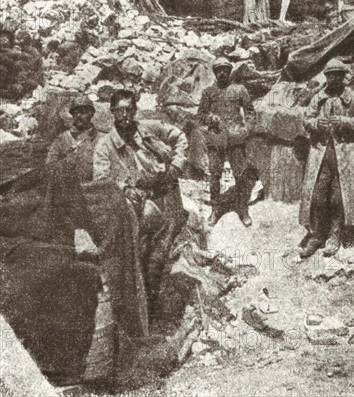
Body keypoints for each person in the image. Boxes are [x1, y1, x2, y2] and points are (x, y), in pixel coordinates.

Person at [93, 89, 188, 318]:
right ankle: (142, 308)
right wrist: (124, 187)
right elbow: (100, 179)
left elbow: (180, 138)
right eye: (119, 110)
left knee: (161, 254)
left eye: (129, 109)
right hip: (133, 206)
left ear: (135, 110)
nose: (125, 115)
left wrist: (175, 165)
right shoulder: (105, 145)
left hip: (165, 196)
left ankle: (155, 306)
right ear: (112, 112)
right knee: (136, 257)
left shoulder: (150, 128)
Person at [298, 58, 354, 258]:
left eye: (338, 74)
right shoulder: (317, 98)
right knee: (318, 196)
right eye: (331, 75)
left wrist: (343, 121)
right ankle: (317, 235)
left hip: (345, 155)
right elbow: (306, 119)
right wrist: (316, 124)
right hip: (321, 153)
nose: (334, 78)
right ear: (326, 77)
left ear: (343, 76)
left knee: (338, 198)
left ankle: (334, 235)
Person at [198, 57, 256, 227]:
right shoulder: (208, 92)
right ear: (215, 73)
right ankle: (215, 209)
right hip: (216, 138)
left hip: (236, 138)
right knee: (215, 175)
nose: (222, 73)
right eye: (219, 70)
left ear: (230, 72)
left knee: (240, 174)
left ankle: (243, 209)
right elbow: (200, 114)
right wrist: (210, 118)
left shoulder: (240, 90)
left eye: (225, 70)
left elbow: (251, 113)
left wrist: (246, 130)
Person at [46, 95, 104, 182]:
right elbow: (50, 166)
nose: (78, 116)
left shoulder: (102, 139)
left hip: (94, 189)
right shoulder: (62, 138)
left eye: (83, 112)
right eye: (75, 113)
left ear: (91, 114)